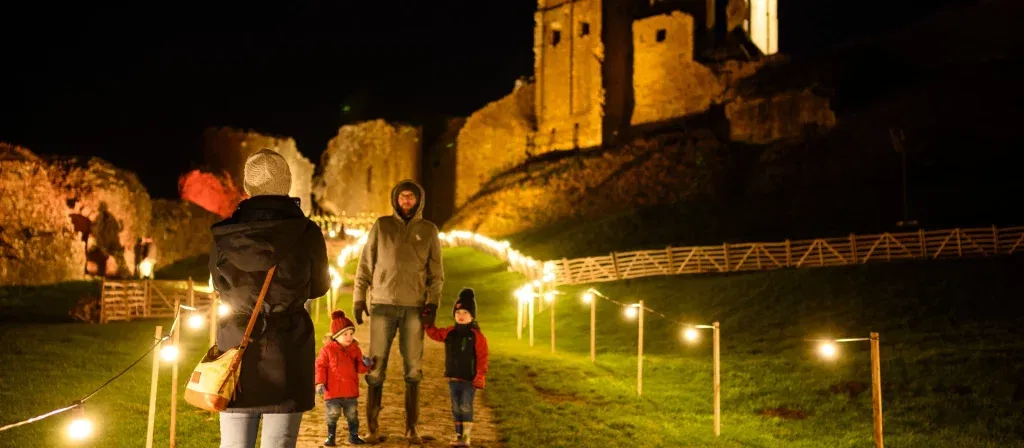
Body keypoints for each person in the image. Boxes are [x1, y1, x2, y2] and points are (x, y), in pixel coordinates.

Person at [210, 149, 329, 448]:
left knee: (235, 443)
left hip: (237, 341)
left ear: (249, 187)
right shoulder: (307, 232)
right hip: (288, 343)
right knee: (280, 442)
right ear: (286, 184)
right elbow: (319, 286)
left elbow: (218, 284)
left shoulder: (226, 234)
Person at [353, 179, 444, 443]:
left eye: (411, 197)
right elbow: (365, 265)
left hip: (414, 308)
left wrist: (433, 302)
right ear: (396, 199)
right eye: (402, 196)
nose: (406, 201)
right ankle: (372, 428)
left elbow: (436, 273)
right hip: (382, 306)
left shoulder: (428, 231)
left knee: (413, 369)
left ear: (419, 201)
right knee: (375, 368)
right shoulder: (382, 226)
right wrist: (359, 298)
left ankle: (411, 428)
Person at [425, 288, 488, 447]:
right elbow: (435, 334)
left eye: (465, 313)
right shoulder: (449, 332)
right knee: (455, 406)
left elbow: (482, 356)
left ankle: (466, 436)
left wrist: (480, 375)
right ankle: (458, 434)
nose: (461, 316)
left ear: (472, 316)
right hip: (453, 377)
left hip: (469, 378)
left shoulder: (476, 336)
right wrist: (427, 323)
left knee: (466, 405)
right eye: (458, 312)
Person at [316, 311, 375, 446]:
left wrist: (367, 364)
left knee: (352, 415)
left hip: (350, 391)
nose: (349, 337)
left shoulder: (355, 350)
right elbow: (320, 366)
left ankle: (353, 435)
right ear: (336, 336)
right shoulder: (327, 350)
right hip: (332, 392)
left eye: (351, 333)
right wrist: (320, 383)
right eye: (345, 334)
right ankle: (331, 436)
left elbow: (360, 368)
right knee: (333, 414)